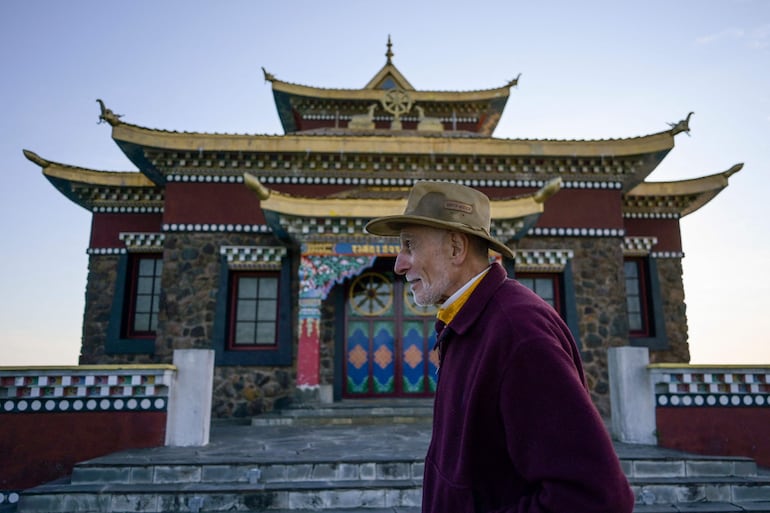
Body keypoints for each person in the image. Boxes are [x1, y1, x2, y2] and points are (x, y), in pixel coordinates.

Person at [365, 181, 634, 513]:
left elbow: (594, 496)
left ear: (455, 248)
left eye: (409, 245)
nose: (399, 264)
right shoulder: (468, 324)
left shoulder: (518, 333)